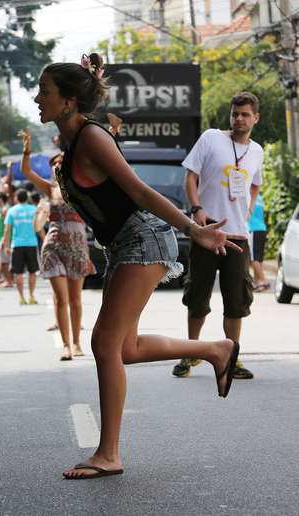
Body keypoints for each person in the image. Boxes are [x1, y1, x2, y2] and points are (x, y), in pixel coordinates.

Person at [36, 53, 242, 479]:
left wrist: (194, 229)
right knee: (124, 348)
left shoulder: (92, 138)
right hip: (123, 243)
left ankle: (108, 453)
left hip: (143, 237)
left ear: (70, 101)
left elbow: (140, 191)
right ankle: (215, 348)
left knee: (103, 344)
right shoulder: (73, 140)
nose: (38, 98)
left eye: (46, 91)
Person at [171, 92, 263, 380]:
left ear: (255, 118)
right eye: (235, 113)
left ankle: (231, 357)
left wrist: (247, 210)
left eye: (245, 114)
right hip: (207, 233)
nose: (239, 119)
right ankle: (192, 351)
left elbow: (255, 185)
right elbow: (190, 176)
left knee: (237, 301)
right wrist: (196, 209)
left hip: (237, 237)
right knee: (197, 297)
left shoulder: (257, 151)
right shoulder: (211, 138)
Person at [18, 130, 94, 360]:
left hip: (78, 248)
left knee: (75, 300)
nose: (57, 166)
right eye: (54, 164)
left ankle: (78, 343)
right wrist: (27, 150)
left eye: (61, 163)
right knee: (61, 299)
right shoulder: (48, 188)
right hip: (53, 247)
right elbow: (26, 171)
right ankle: (65, 346)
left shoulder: (81, 188)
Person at [2, 189, 40, 305]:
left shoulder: (12, 211)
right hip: (31, 244)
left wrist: (6, 245)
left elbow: (7, 229)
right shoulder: (34, 210)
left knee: (18, 273)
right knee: (32, 272)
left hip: (17, 245)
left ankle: (22, 298)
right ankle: (32, 296)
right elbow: (39, 227)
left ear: (16, 198)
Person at [248, 192, 269, 292]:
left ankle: (264, 281)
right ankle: (256, 283)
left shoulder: (248, 196)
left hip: (253, 228)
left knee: (253, 258)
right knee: (258, 258)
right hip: (262, 228)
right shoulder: (259, 197)